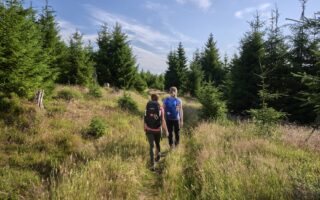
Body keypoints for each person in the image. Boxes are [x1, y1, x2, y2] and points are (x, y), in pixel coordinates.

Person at [144, 93, 168, 169]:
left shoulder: (147, 107)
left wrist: (145, 128)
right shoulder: (161, 108)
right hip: (158, 130)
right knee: (157, 143)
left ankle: (152, 165)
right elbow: (163, 120)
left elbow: (144, 119)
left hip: (148, 129)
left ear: (151, 98)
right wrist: (166, 130)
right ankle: (158, 156)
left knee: (151, 146)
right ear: (158, 99)